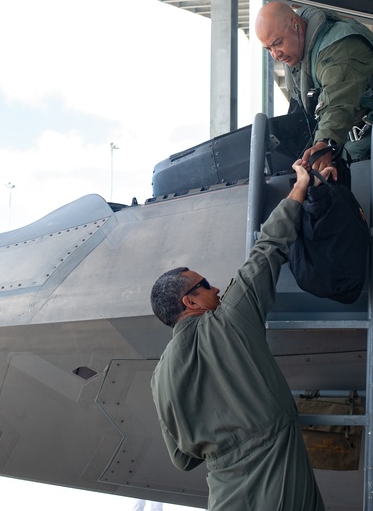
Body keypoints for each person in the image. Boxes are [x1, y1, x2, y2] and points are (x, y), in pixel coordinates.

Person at [149, 158, 329, 511]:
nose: (216, 288)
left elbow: (182, 460)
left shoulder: (159, 379)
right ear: (191, 301)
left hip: (225, 493)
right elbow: (268, 248)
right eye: (205, 285)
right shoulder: (230, 319)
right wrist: (300, 185)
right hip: (278, 487)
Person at [254, 1, 373, 173]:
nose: (275, 54)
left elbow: (338, 102)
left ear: (296, 25)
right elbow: (300, 106)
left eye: (278, 43)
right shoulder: (295, 49)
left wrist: (326, 143)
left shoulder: (340, 48)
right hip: (352, 124)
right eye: (268, 49)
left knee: (343, 179)